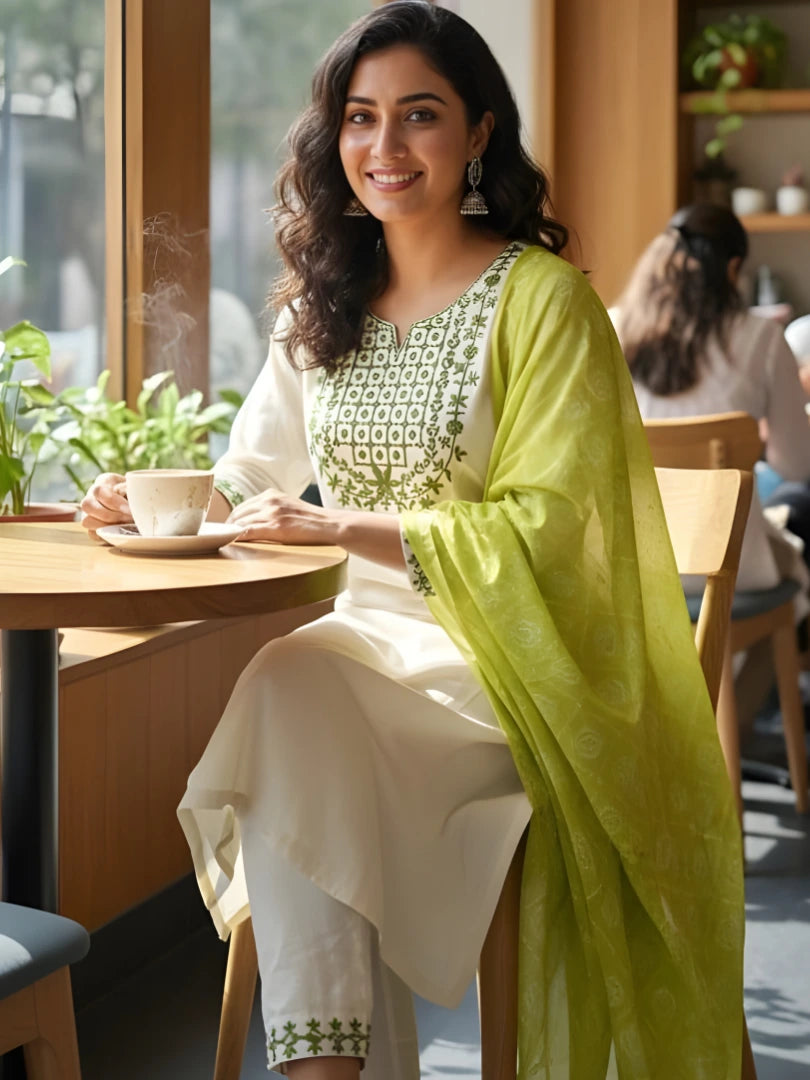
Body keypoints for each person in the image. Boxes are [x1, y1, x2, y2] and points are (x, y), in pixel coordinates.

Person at [80, 5, 745, 1078]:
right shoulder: (323, 308)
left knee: (292, 697)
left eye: (419, 117)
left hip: (519, 671)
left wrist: (342, 524)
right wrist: (150, 502)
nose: (384, 149)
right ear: (333, 138)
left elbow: (551, 531)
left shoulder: (542, 306)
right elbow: (252, 470)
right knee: (300, 699)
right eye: (360, 118)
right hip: (364, 666)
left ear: (480, 132)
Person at [611, 202, 810, 594]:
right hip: (730, 564)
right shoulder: (761, 338)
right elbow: (796, 464)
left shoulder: (612, 326)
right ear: (732, 269)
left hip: (629, 566)